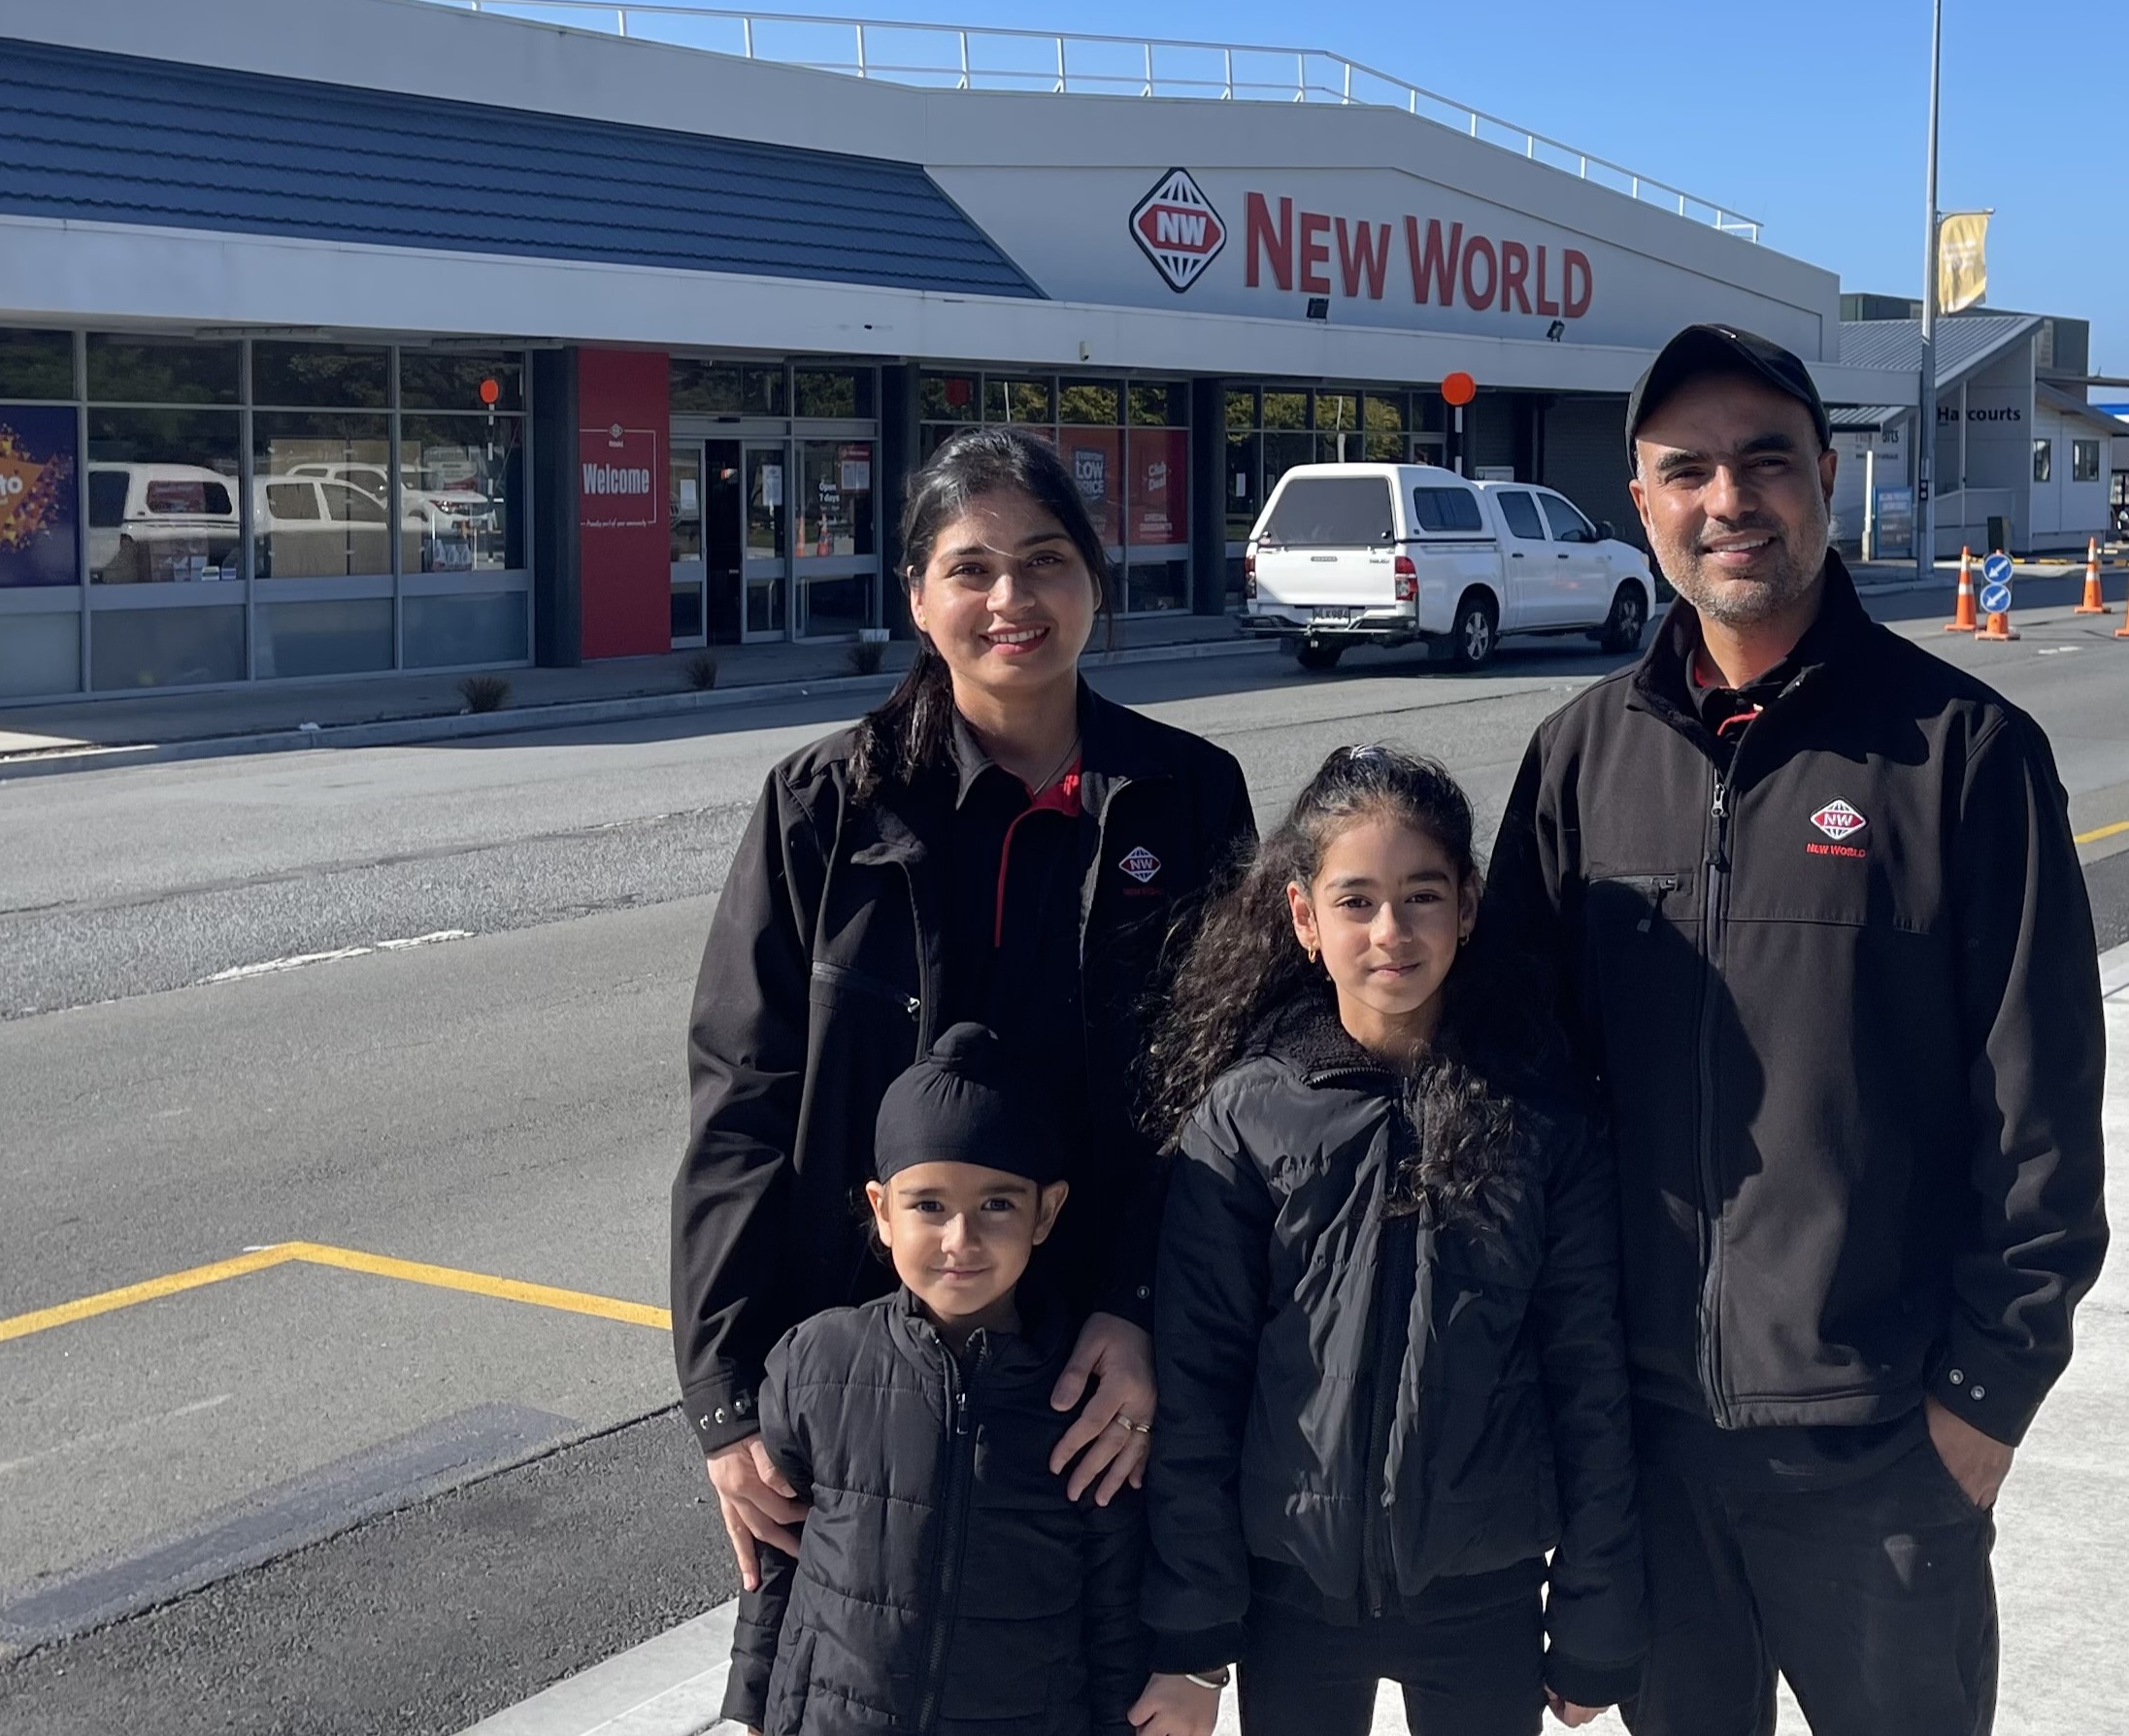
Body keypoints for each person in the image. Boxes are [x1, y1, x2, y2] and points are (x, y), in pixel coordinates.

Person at [1481, 323, 2110, 1735]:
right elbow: (1512, 1094)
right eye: (1686, 470)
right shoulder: (1581, 759)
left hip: (1884, 1453)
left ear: (1826, 475)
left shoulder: (1965, 757)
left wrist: (1978, 1412)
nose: (1730, 498)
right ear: (1641, 503)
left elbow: (2043, 1119)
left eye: (1766, 460)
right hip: (1647, 1455)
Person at [674, 426, 1256, 1593]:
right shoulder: (822, 806)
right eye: (971, 568)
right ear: (917, 594)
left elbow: (1223, 1100)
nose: (1011, 598)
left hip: (1095, 1373)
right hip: (854, 1366)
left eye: (1045, 561)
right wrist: (728, 1399)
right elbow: (742, 1096)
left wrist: (1140, 1307)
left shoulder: (1186, 797)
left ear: (1095, 576)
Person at [1129, 745, 1644, 1736]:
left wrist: (1595, 1604)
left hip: (1484, 1585)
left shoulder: (1539, 1114)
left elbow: (1588, 1371)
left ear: (1469, 904)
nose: (1391, 931)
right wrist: (1193, 1630)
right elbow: (1197, 1384)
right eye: (1356, 899)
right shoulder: (1249, 1116)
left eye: (1420, 895)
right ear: (1302, 919)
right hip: (1292, 1595)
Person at [722, 1022, 1150, 1736]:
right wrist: (749, 1708)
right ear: (881, 1210)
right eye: (929, 1205)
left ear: (1046, 1212)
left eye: (997, 1204)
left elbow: (1113, 1611)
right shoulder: (818, 1364)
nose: (961, 1239)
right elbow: (775, 1560)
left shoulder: (1082, 1402)